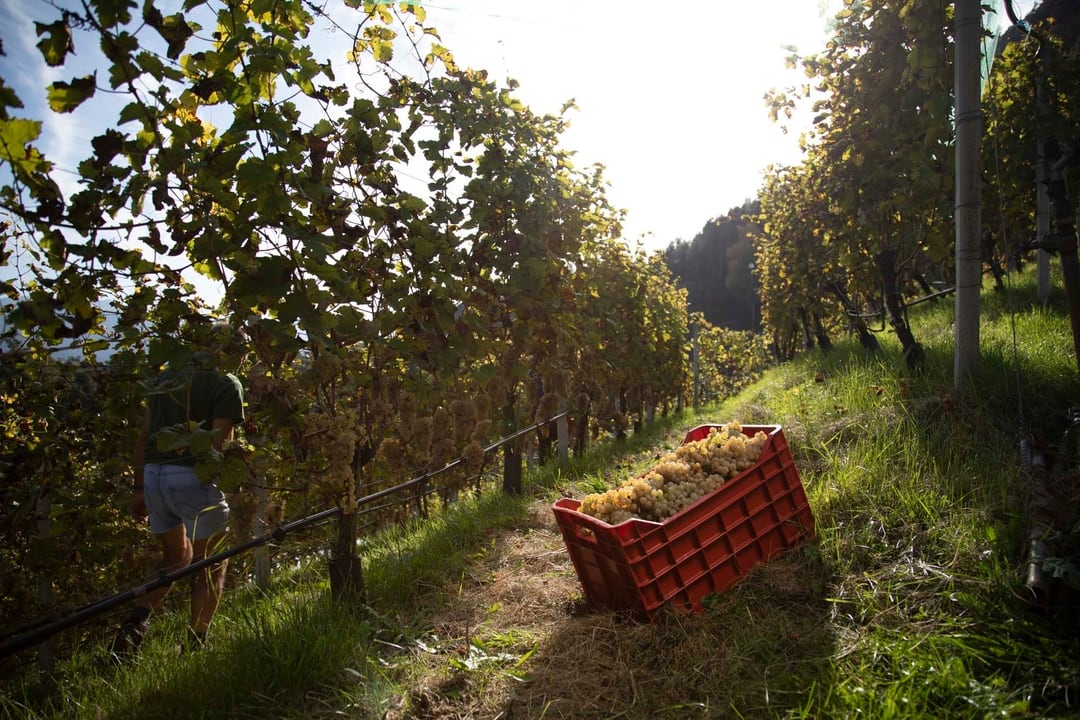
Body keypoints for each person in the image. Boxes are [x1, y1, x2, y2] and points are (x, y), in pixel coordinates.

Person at [110, 321, 246, 663]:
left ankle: (134, 626)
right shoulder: (226, 382)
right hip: (191, 476)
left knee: (175, 556)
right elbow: (216, 444)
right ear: (230, 350)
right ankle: (197, 644)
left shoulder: (167, 378)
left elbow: (144, 436)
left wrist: (139, 488)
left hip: (154, 475)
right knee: (210, 561)